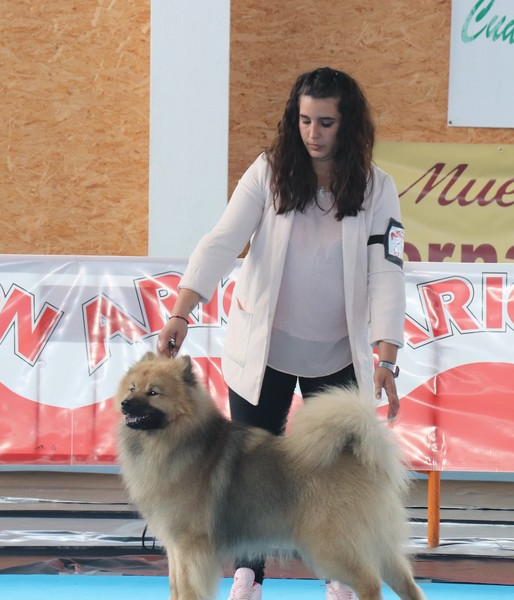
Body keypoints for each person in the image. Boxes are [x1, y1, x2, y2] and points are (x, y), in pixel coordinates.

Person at [156, 67, 406, 600]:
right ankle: (248, 576)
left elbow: (387, 272)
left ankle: (340, 576)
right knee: (250, 472)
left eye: (326, 122)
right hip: (263, 351)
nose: (313, 132)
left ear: (348, 124)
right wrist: (182, 309)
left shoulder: (378, 188)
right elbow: (223, 240)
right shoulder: (268, 172)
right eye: (305, 120)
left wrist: (386, 358)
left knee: (335, 477)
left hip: (336, 353)